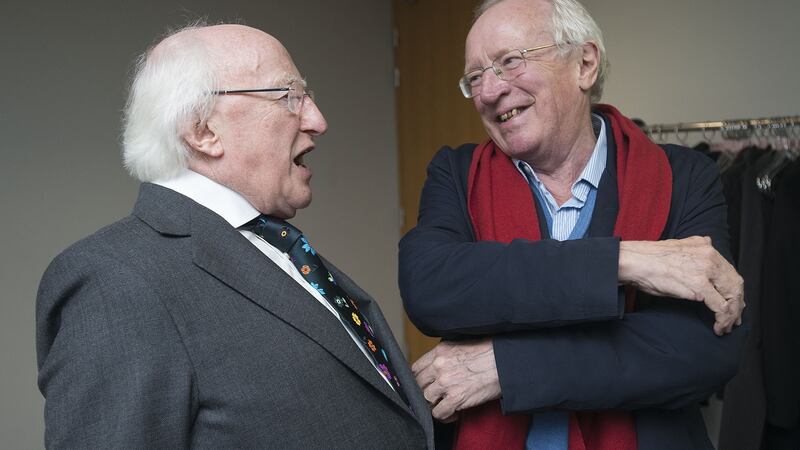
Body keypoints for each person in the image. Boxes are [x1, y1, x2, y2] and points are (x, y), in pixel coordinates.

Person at [36, 23, 433, 448]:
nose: (318, 120)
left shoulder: (278, 246)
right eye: (289, 96)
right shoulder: (114, 282)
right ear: (203, 131)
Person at [399, 0, 746, 449]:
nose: (489, 91)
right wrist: (625, 261)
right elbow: (432, 287)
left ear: (585, 64)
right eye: (475, 77)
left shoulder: (684, 176)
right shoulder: (457, 174)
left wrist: (506, 367)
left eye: (509, 62)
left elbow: (703, 350)